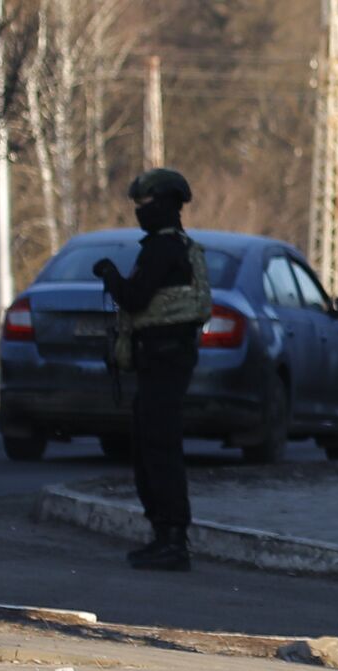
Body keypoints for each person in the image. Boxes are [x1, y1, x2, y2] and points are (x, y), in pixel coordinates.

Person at [92, 168, 212, 572]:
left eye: (145, 206)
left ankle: (172, 539)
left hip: (164, 361)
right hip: (165, 360)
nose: (140, 213)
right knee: (149, 448)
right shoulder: (177, 246)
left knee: (158, 450)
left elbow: (136, 298)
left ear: (164, 204)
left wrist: (110, 274)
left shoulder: (164, 250)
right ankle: (164, 535)